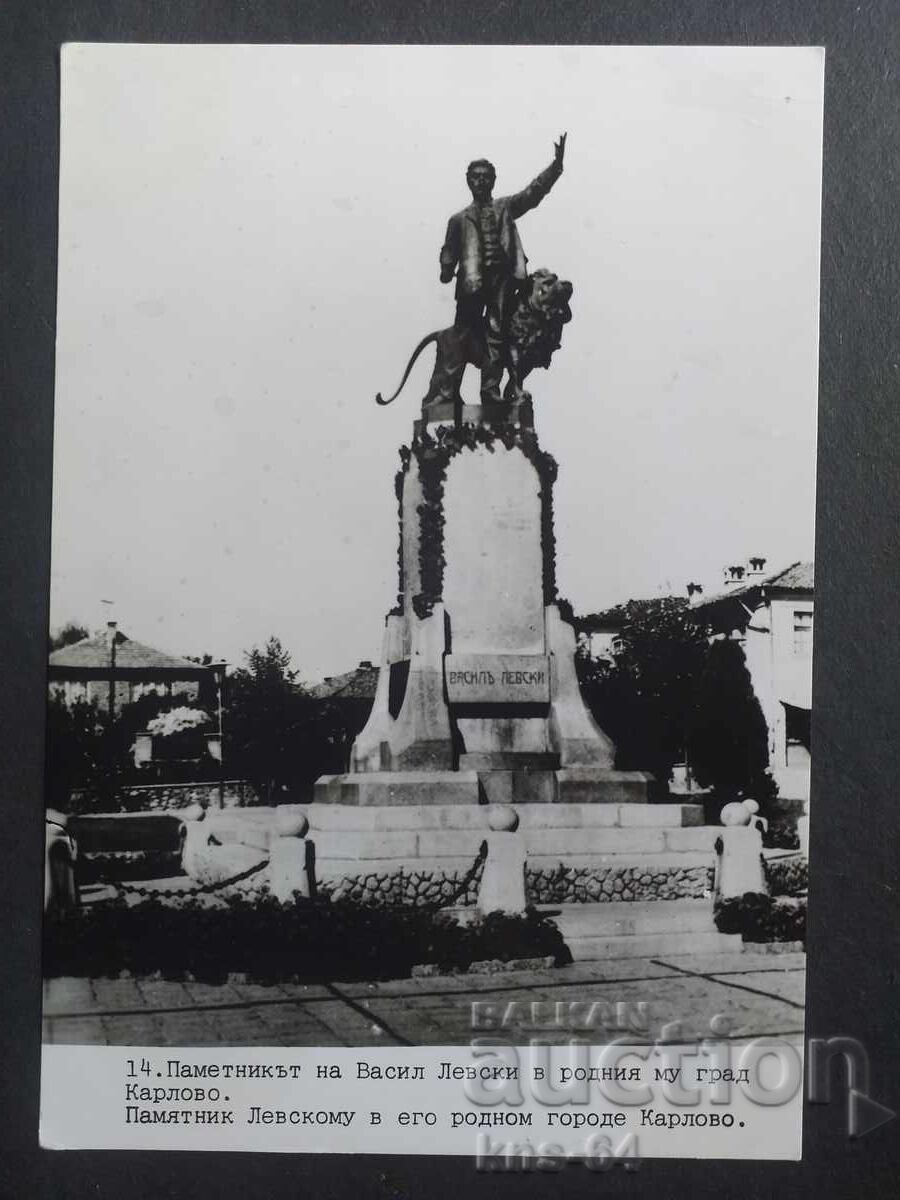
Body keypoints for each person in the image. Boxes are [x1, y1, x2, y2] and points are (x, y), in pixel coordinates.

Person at [438, 133, 566, 404]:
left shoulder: (506, 207)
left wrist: (555, 167)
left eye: (486, 176)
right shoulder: (458, 219)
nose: (481, 181)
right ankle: (447, 393)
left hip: (502, 281)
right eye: (476, 176)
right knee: (462, 335)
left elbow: (532, 194)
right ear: (468, 181)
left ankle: (490, 392)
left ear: (493, 180)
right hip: (472, 283)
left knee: (497, 335)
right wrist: (446, 269)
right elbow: (449, 250)